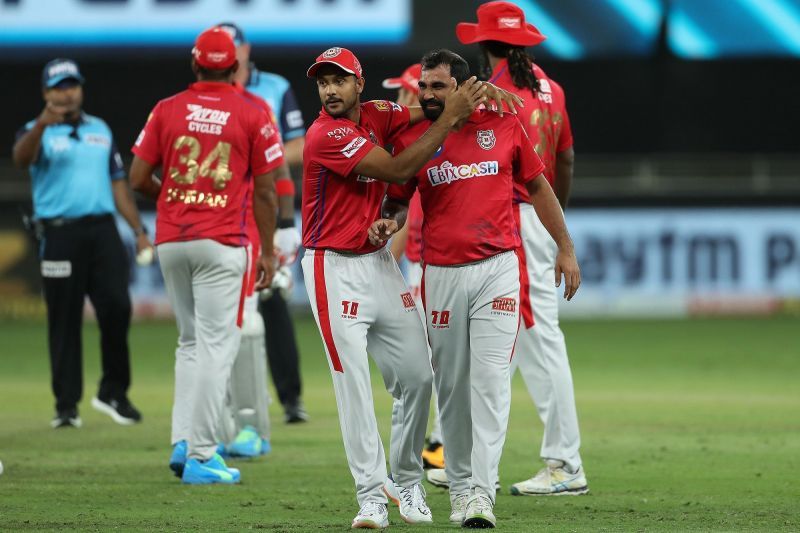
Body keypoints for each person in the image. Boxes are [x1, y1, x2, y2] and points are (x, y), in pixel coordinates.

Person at [372, 49, 580, 528]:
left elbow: (540, 186)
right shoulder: (417, 135)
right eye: (423, 87)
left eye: (438, 87)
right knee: (451, 388)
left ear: (464, 88)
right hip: (441, 275)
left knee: (489, 385)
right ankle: (460, 485)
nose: (426, 95)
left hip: (497, 270)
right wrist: (390, 222)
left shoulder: (504, 124)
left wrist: (564, 247)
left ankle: (480, 496)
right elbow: (399, 198)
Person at [300, 46, 490, 528]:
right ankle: (370, 497)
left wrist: (481, 96)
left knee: (419, 376)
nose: (329, 90)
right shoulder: (327, 133)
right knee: (354, 387)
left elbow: (423, 109)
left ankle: (405, 480)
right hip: (331, 266)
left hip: (377, 263)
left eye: (339, 80)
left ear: (359, 84)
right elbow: (400, 170)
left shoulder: (379, 112)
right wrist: (451, 118)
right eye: (322, 82)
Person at [129, 27, 285, 484]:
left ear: (194, 64)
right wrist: (269, 253)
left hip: (173, 239)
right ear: (234, 67)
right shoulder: (253, 110)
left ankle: (183, 439)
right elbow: (266, 192)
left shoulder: (167, 108)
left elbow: (139, 176)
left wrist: (173, 202)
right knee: (219, 346)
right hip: (223, 239)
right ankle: (200, 455)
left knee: (190, 343)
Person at [456, 0, 589, 496]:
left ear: (482, 43)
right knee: (502, 338)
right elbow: (567, 159)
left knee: (538, 335)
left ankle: (565, 463)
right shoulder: (550, 89)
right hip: (534, 217)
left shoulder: (491, 95)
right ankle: (461, 456)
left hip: (512, 218)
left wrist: (544, 229)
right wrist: (556, 226)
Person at [12, 58, 149, 429]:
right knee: (64, 319)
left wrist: (137, 230)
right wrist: (42, 124)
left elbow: (118, 183)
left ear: (81, 89)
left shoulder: (100, 130)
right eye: (58, 87)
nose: (66, 92)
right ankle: (66, 405)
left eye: (71, 85)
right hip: (60, 234)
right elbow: (20, 159)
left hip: (103, 231)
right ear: (45, 93)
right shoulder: (35, 131)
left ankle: (113, 392)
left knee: (118, 308)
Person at [217, 22, 308, 423]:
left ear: (246, 48)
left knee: (270, 302)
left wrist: (286, 222)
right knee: (229, 308)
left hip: (267, 204)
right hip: (227, 208)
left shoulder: (270, 88)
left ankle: (290, 399)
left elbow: (299, 144)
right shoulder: (213, 97)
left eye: (234, 48)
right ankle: (230, 401)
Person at [383, 64, 445, 471]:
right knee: (434, 363)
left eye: (403, 93)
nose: (398, 100)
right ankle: (436, 445)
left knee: (422, 366)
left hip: (425, 270)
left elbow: (406, 224)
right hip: (429, 269)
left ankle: (434, 447)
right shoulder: (426, 143)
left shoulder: (417, 148)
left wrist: (387, 279)